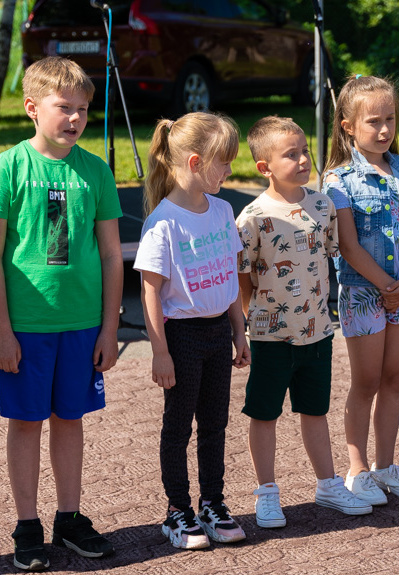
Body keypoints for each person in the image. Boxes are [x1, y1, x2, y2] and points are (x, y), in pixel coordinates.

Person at [0, 56, 123, 571]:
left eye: (83, 109)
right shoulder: (9, 167)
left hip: (82, 327)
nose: (76, 118)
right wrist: (1, 330)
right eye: (64, 107)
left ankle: (69, 518)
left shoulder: (96, 171)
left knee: (70, 419)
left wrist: (110, 328)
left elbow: (110, 254)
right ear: (32, 108)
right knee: (26, 422)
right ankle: (26, 525)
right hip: (27, 329)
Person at [237, 115, 372, 528]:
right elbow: (243, 276)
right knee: (264, 414)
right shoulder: (253, 217)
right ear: (264, 167)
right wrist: (252, 318)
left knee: (315, 410)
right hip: (270, 337)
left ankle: (328, 484)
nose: (302, 159)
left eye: (304, 151)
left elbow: (329, 255)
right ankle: (266, 492)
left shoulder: (322, 204)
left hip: (318, 331)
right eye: (290, 154)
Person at [134, 112, 250, 550]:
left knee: (215, 424)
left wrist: (239, 332)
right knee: (178, 426)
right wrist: (159, 352)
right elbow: (149, 295)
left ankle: (212, 503)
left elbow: (230, 277)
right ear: (197, 162)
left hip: (219, 332)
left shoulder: (222, 210)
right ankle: (177, 511)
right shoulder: (162, 223)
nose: (230, 170)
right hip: (181, 336)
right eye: (225, 161)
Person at [321, 76, 399, 505]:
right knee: (365, 381)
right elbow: (347, 245)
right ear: (347, 125)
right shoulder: (338, 178)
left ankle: (386, 466)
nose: (384, 130)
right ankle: (358, 470)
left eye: (390, 120)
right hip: (364, 294)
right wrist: (386, 285)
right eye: (373, 121)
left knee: (394, 378)